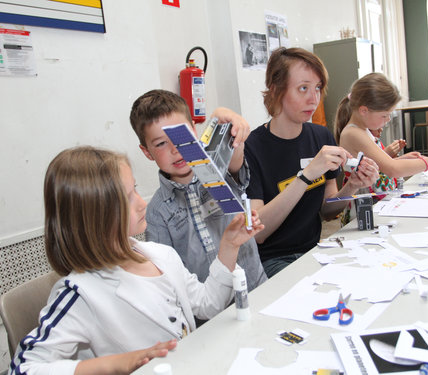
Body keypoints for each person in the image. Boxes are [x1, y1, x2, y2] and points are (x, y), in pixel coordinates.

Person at [9, 146, 263, 375]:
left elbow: (209, 305)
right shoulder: (81, 294)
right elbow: (23, 367)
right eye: (128, 198)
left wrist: (229, 246)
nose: (142, 204)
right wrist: (116, 364)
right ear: (97, 215)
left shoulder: (160, 255)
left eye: (136, 190)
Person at [244, 47, 380, 278]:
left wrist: (353, 185)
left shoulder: (320, 137)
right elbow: (259, 233)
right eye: (303, 88)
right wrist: (306, 176)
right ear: (276, 90)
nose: (313, 98)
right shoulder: (252, 148)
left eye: (317, 88)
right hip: (273, 260)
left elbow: (328, 210)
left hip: (315, 250)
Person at [130, 90, 267, 290]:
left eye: (181, 137)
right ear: (147, 152)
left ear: (194, 131)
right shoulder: (157, 213)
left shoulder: (217, 169)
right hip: (207, 311)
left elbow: (235, 158)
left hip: (254, 287)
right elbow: (167, 271)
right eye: (160, 143)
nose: (175, 150)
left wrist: (229, 120)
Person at [335, 73, 428, 187]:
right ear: (364, 111)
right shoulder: (353, 134)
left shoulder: (361, 130)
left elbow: (379, 165)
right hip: (367, 203)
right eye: (385, 115)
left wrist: (402, 159)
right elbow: (393, 169)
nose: (388, 119)